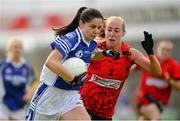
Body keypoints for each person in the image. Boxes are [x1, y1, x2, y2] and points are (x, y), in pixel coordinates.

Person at [26, 7, 106, 120]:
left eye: (99, 28)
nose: (96, 31)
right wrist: (72, 78)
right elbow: (51, 62)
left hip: (71, 96)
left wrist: (106, 54)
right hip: (50, 96)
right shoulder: (71, 39)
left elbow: (92, 54)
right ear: (81, 24)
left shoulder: (92, 43)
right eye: (93, 27)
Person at [80, 16, 161, 120]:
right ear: (104, 30)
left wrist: (150, 52)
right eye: (109, 29)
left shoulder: (131, 54)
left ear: (123, 33)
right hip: (83, 107)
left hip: (105, 114)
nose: (112, 34)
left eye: (116, 30)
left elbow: (157, 72)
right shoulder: (94, 48)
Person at [135, 40, 180, 120]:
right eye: (163, 49)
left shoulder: (174, 66)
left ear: (171, 52)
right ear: (157, 49)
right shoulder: (149, 60)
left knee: (145, 119)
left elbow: (178, 87)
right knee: (156, 118)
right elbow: (134, 65)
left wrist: (169, 79)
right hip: (144, 99)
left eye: (168, 50)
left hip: (159, 104)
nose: (165, 52)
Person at [0, 37, 36, 120]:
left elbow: (32, 85)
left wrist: (29, 94)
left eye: (20, 47)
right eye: (15, 47)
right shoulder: (2, 65)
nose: (17, 50)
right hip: (2, 105)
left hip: (20, 106)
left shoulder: (27, 68)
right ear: (9, 49)